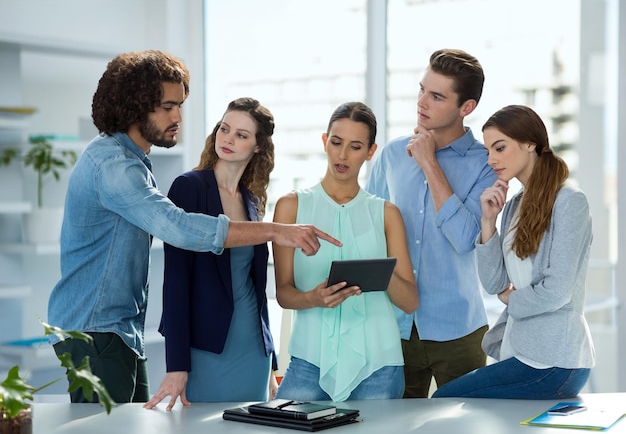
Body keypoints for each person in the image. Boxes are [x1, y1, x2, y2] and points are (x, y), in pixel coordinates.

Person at [47, 50, 340, 405]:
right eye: (167, 107)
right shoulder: (115, 166)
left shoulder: (134, 163)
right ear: (135, 106)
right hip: (97, 330)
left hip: (120, 330)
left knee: (127, 429)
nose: (178, 117)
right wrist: (278, 230)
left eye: (180, 105)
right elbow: (180, 230)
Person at [432, 105, 595, 399]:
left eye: (500, 148)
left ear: (529, 143)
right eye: (489, 151)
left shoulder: (570, 202)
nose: (492, 160)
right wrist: (487, 222)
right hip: (523, 350)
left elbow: (558, 291)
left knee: (446, 397)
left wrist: (512, 299)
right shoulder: (513, 206)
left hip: (555, 357)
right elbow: (494, 283)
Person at [365, 48, 497, 398]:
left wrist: (429, 164)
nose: (422, 102)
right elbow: (369, 231)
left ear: (465, 108)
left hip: (459, 331)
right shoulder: (392, 155)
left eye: (437, 96)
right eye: (422, 89)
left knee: (461, 432)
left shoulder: (487, 164)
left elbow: (466, 238)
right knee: (389, 432)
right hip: (392, 328)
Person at [272, 102, 419, 402]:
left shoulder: (387, 214)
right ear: (325, 141)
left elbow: (410, 302)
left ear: (370, 151)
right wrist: (313, 298)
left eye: (355, 147)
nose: (342, 155)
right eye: (336, 143)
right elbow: (284, 293)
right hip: (309, 361)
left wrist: (379, 271)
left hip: (380, 364)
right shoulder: (291, 207)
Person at [143, 97, 279, 410]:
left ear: (258, 146)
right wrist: (176, 365)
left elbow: (257, 288)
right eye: (225, 129)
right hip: (206, 348)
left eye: (242, 135)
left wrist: (271, 362)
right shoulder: (189, 187)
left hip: (254, 350)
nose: (228, 139)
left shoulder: (252, 200)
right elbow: (176, 281)